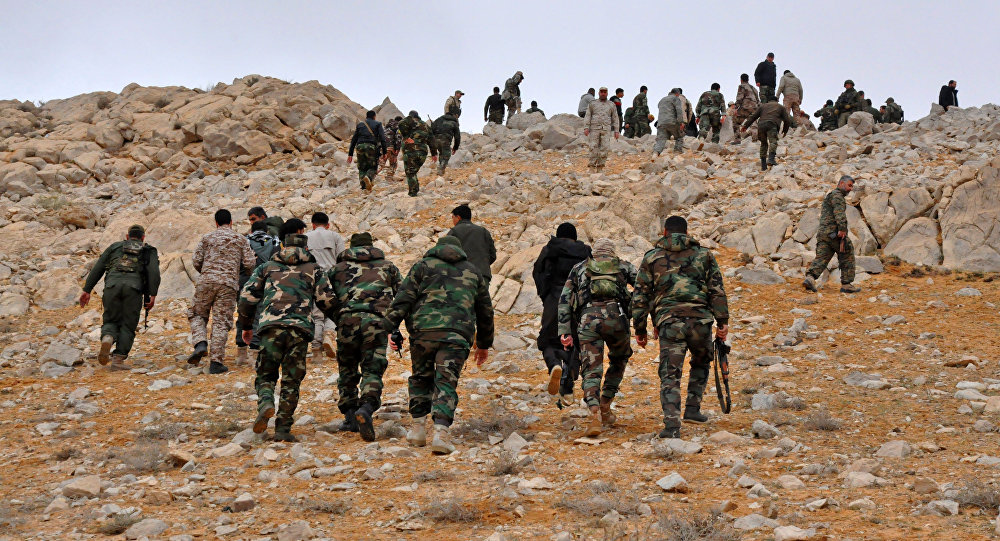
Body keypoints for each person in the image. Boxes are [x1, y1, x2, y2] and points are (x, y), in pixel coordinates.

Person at [384, 236, 494, 454]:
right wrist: (483, 344)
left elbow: (403, 299)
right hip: (456, 335)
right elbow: (485, 311)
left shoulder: (422, 267)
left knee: (420, 377)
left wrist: (390, 327)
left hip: (423, 333)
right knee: (446, 381)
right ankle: (441, 434)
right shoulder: (473, 271)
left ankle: (417, 430)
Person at [238, 219, 338, 442]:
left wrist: (246, 326)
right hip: (299, 330)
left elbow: (246, 299)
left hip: (270, 328)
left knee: (266, 374)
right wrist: (340, 323)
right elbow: (327, 301)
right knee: (291, 380)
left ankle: (266, 402)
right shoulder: (314, 269)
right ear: (306, 247)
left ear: (282, 245)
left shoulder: (266, 268)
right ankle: (283, 428)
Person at [632, 216, 729, 439]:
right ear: (686, 233)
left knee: (670, 373)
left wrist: (640, 329)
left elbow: (641, 296)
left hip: (670, 323)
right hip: (700, 322)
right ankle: (693, 409)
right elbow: (717, 290)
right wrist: (722, 322)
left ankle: (672, 426)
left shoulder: (652, 257)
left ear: (665, 232)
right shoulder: (704, 255)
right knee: (701, 361)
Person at [326, 232, 402, 441]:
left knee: (347, 369)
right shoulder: (388, 267)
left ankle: (350, 417)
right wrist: (393, 325)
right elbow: (402, 296)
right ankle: (366, 408)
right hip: (376, 323)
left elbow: (324, 296)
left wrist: (338, 316)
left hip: (347, 322)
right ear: (371, 245)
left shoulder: (337, 269)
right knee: (372, 369)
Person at [558, 239, 637, 437]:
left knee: (591, 368)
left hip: (588, 321)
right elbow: (643, 291)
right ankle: (606, 403)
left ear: (593, 252)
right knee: (620, 358)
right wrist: (634, 313)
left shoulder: (580, 268)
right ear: (612, 252)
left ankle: (594, 413)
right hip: (617, 320)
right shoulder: (624, 266)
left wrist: (564, 330)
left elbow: (565, 299)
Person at [79, 224, 160, 371]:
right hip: (133, 289)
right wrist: (152, 294)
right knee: (128, 324)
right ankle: (118, 359)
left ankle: (108, 337)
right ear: (143, 238)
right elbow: (153, 272)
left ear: (127, 237)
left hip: (112, 287)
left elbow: (98, 267)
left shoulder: (115, 247)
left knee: (111, 319)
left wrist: (87, 290)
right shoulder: (149, 250)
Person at [188, 209, 257, 374]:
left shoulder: (207, 238)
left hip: (206, 281)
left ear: (216, 223)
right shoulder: (240, 239)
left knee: (197, 314)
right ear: (231, 222)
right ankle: (216, 362)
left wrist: (207, 272)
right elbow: (249, 264)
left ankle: (200, 342)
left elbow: (196, 260)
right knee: (221, 321)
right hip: (228, 285)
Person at [532, 223, 592, 403]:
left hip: (554, 300)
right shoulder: (585, 252)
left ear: (558, 235)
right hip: (577, 302)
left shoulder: (550, 249)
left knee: (547, 340)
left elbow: (538, 272)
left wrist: (546, 295)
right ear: (575, 236)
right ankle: (568, 386)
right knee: (576, 341)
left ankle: (554, 364)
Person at [803, 175, 860, 294]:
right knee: (847, 252)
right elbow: (839, 213)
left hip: (823, 233)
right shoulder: (837, 195)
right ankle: (846, 284)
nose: (850, 189)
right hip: (834, 233)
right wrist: (842, 229)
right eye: (849, 185)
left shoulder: (831, 195)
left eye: (852, 186)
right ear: (841, 183)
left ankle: (810, 278)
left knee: (823, 257)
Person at [234, 220, 280, 366]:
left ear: (251, 230)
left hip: (244, 281)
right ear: (267, 230)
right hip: (265, 282)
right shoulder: (274, 241)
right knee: (259, 315)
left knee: (243, 313)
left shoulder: (244, 241)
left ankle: (241, 352)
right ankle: (254, 351)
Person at [305, 212, 345, 358]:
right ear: (328, 225)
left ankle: (316, 349)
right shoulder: (335, 236)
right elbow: (342, 258)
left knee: (317, 315)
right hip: (332, 277)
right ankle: (328, 335)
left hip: (314, 277)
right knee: (333, 309)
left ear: (313, 225)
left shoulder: (307, 237)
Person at [447, 204, 496, 283]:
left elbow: (446, 254)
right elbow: (493, 255)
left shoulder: (454, 231)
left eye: (453, 217)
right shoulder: (483, 231)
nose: (452, 220)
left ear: (458, 217)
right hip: (483, 276)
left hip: (462, 276)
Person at [741, 95, 792, 170]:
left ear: (769, 101)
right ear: (776, 101)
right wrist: (785, 130)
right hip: (772, 124)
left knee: (763, 144)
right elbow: (787, 120)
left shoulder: (763, 106)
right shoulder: (780, 107)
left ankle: (763, 166)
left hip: (761, 126)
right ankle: (771, 159)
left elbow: (753, 117)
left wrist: (745, 126)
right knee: (773, 142)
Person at [347, 110, 387, 192]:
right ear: (374, 116)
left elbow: (354, 139)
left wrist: (350, 154)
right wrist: (385, 152)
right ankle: (368, 177)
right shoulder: (378, 124)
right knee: (372, 167)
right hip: (371, 147)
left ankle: (364, 187)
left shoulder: (360, 125)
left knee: (362, 167)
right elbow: (383, 138)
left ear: (366, 116)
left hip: (360, 147)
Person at [583, 87, 621, 169]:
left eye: (605, 92)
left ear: (607, 93)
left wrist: (616, 131)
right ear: (599, 93)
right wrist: (586, 127)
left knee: (605, 148)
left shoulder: (611, 105)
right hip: (594, 129)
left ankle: (600, 167)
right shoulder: (593, 103)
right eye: (601, 92)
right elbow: (588, 115)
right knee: (593, 147)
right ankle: (592, 166)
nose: (603, 94)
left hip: (606, 129)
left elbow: (615, 118)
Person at [397, 110, 433, 197]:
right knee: (413, 171)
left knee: (410, 172)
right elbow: (432, 139)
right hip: (423, 151)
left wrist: (406, 137)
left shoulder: (410, 121)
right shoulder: (425, 125)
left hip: (411, 150)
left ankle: (413, 193)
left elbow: (401, 123)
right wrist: (434, 153)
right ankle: (415, 190)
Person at [654, 88, 686, 155]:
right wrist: (681, 123)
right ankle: (677, 152)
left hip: (661, 123)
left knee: (661, 140)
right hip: (672, 122)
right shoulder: (676, 99)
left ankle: (655, 153)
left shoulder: (662, 100)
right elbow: (679, 111)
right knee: (680, 136)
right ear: (677, 94)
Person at [431, 106, 461, 176]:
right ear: (456, 114)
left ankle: (440, 172)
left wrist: (433, 149)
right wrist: (455, 148)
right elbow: (457, 137)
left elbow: (431, 131)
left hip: (435, 140)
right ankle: (441, 169)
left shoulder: (438, 119)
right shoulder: (454, 123)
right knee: (447, 154)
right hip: (445, 140)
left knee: (442, 153)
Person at [733, 74, 760, 142]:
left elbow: (740, 98)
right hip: (754, 109)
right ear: (748, 79)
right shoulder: (754, 89)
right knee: (753, 123)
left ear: (741, 80)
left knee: (735, 121)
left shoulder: (742, 86)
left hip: (745, 108)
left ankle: (737, 140)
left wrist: (735, 108)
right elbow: (758, 101)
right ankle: (755, 139)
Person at [382, 115, 403, 180]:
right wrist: (397, 149)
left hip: (382, 146)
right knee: (393, 163)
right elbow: (398, 137)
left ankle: (370, 176)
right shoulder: (398, 126)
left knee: (381, 163)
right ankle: (389, 177)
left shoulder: (386, 127)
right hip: (390, 147)